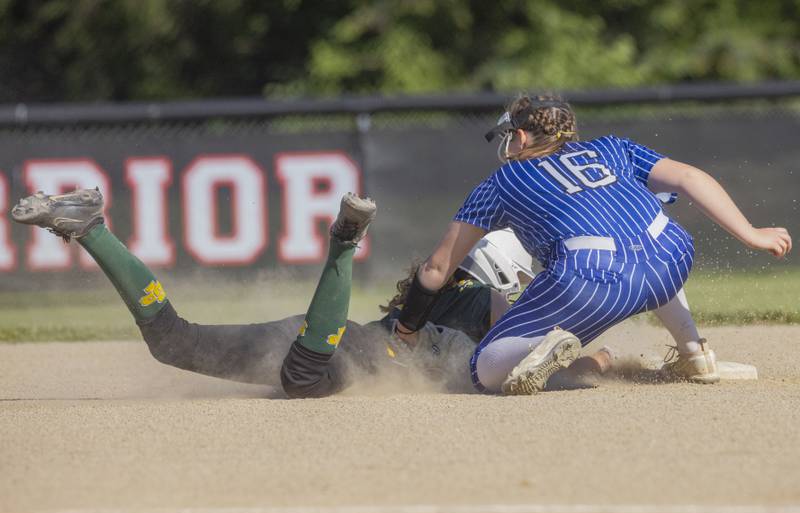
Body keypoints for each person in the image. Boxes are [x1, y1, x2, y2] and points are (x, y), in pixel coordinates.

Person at [10, 188, 615, 397]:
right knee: (304, 379)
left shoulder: (442, 295)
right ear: (508, 279)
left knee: (173, 343)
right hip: (350, 355)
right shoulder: (492, 323)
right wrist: (604, 360)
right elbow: (548, 360)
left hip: (333, 336)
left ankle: (88, 226)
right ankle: (344, 244)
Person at [394, 94, 792, 395]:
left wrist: (407, 327)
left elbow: (436, 269)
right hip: (673, 252)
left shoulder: (502, 181)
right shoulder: (612, 148)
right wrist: (751, 233)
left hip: (587, 279)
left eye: (509, 139)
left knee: (485, 371)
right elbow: (689, 177)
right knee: (646, 240)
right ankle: (694, 353)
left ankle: (548, 347)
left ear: (519, 137)